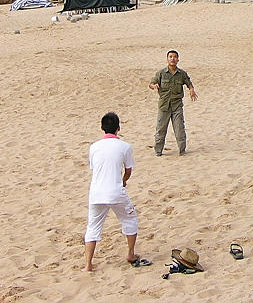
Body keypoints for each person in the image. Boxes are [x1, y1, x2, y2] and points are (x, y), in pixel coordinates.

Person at [84, 112, 148, 271]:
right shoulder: (125, 147)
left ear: (102, 128)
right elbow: (128, 170)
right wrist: (124, 181)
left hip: (96, 192)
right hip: (115, 191)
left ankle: (88, 264)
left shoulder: (94, 147)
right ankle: (130, 254)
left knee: (92, 228)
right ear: (118, 128)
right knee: (130, 219)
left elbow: (95, 168)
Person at [149, 50, 197, 156]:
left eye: (175, 57)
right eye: (170, 57)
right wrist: (154, 86)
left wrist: (192, 90)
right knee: (161, 130)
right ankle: (158, 151)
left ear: (178, 59)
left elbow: (189, 83)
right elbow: (151, 83)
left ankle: (182, 151)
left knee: (179, 129)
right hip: (164, 106)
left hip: (177, 106)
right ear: (167, 59)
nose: (172, 59)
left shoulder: (182, 74)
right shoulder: (161, 73)